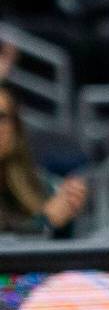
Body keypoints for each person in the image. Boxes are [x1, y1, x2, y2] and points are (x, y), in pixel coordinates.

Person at [0, 84, 88, 237]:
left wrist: (67, 211)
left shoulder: (37, 184)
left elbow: (62, 252)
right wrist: (46, 221)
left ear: (16, 127)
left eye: (0, 118)